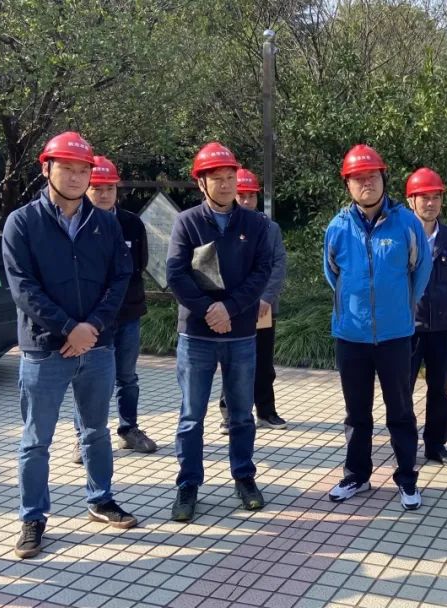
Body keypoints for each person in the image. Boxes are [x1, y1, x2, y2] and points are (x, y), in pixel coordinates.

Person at [2, 132, 137, 559]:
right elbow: (23, 287)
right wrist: (67, 329)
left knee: (96, 431)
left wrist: (92, 327)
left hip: (96, 346)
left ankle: (101, 498)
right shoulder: (22, 222)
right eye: (67, 169)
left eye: (84, 170)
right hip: (45, 349)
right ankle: (32, 517)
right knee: (36, 439)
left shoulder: (105, 223)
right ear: (47, 169)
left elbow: (120, 278)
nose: (77, 177)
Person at [323, 144, 432, 510]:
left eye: (372, 176)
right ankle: (357, 474)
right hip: (351, 335)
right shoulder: (338, 227)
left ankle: (407, 477)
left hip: (395, 335)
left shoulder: (406, 223)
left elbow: (420, 270)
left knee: (400, 410)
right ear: (348, 185)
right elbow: (333, 274)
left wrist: (400, 306)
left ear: (384, 179)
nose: (366, 183)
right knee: (356, 412)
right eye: (357, 178)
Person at [167, 143, 272, 520]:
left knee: (242, 413)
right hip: (197, 335)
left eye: (231, 177)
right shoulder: (187, 222)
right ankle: (188, 483)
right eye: (217, 178)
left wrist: (229, 308)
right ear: (201, 183)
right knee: (191, 415)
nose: (226, 185)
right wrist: (208, 310)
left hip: (240, 334)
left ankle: (244, 476)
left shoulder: (254, 224)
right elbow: (176, 274)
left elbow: (261, 272)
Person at [70, 155, 157, 464]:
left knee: (127, 377)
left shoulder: (131, 223)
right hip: (92, 320)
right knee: (89, 379)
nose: (104, 194)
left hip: (128, 314)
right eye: (98, 188)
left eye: (110, 188)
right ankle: (83, 437)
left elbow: (139, 264)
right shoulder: (77, 223)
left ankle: (129, 429)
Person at [218, 168, 288, 433]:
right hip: (234, 307)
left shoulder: (270, 228)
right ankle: (229, 414)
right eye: (242, 195)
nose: (246, 201)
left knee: (263, 361)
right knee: (231, 360)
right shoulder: (224, 226)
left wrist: (267, 297)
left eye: (251, 196)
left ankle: (266, 411)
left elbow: (278, 263)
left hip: (263, 308)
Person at [405, 168, 447, 468]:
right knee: (402, 390)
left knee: (439, 390)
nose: (430, 203)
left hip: (443, 327)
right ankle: (404, 445)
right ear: (411, 201)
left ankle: (435, 445)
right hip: (407, 327)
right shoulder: (401, 236)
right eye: (424, 197)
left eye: (436, 197)